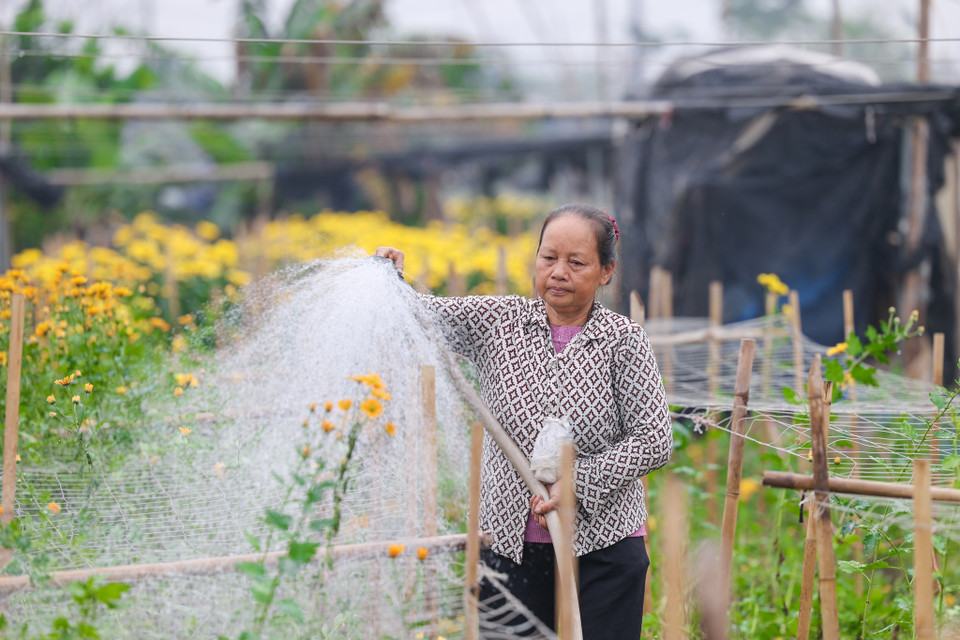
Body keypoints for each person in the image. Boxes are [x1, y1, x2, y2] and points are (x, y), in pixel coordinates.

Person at [375, 203, 672, 639]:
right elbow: (419, 316)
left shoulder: (623, 340)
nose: (558, 272)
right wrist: (393, 279)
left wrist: (578, 483)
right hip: (508, 542)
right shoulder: (499, 322)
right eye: (548, 257)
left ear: (606, 272)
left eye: (577, 263)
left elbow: (654, 439)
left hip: (604, 543)